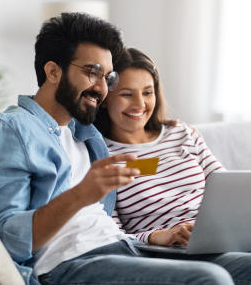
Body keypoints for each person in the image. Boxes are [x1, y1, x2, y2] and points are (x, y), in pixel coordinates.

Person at [0, 13, 251, 285]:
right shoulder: (11, 129)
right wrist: (81, 194)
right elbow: (6, 238)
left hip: (125, 249)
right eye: (93, 73)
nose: (102, 89)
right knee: (210, 279)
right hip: (67, 265)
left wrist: (154, 237)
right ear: (53, 71)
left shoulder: (87, 136)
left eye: (108, 77)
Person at [94, 47, 251, 282]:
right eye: (127, 94)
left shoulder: (182, 134)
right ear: (105, 98)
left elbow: (229, 190)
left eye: (147, 92)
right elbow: (112, 236)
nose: (140, 104)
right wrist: (157, 236)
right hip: (167, 254)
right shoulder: (102, 155)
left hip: (219, 240)